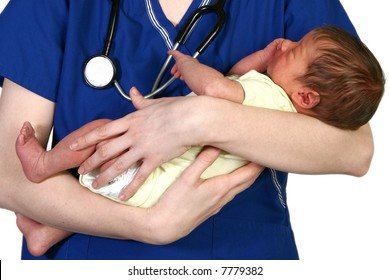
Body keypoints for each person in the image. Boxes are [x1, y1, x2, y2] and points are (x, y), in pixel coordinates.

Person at [0, 0, 375, 260]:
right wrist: (150, 226)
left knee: (97, 135)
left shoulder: (302, 40)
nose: (287, 46)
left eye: (293, 51)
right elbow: (5, 174)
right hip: (94, 255)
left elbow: (356, 150)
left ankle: (47, 185)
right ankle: (47, 228)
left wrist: (197, 121)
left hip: (241, 256)